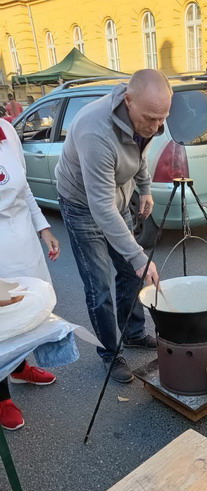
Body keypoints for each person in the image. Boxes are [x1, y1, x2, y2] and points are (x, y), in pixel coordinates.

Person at [55, 69, 172, 384]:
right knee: (100, 286)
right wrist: (138, 256)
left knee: (132, 274)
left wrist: (144, 189)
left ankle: (133, 333)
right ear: (128, 100)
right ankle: (109, 352)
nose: (156, 126)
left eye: (162, 119)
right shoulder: (96, 132)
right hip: (82, 205)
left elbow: (139, 153)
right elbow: (101, 207)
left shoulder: (145, 118)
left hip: (116, 198)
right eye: (151, 119)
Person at [0, 118, 60, 430]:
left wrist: (43, 229)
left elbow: (23, 189)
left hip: (23, 243)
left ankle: (19, 369)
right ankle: (1, 399)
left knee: (23, 311)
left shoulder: (7, 131)